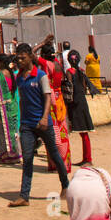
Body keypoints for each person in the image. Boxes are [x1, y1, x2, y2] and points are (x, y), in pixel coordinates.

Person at [9, 44, 70, 208]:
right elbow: (21, 99)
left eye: (22, 57)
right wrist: (21, 122)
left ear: (30, 56)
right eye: (18, 58)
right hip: (27, 124)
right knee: (27, 159)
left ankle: (66, 185)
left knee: (55, 155)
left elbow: (48, 98)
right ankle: (24, 195)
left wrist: (44, 118)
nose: (20, 61)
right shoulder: (19, 77)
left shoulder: (41, 76)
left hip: (43, 123)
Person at [36, 42, 71, 175]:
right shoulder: (57, 63)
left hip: (51, 101)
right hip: (59, 98)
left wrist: (42, 43)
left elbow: (32, 54)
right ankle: (64, 162)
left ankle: (56, 163)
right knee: (62, 132)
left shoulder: (47, 64)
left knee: (53, 133)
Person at [65, 49, 97, 165]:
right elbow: (86, 86)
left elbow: (69, 88)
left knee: (82, 132)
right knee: (84, 132)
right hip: (82, 101)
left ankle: (88, 159)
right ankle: (86, 158)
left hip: (75, 103)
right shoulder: (82, 71)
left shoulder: (69, 72)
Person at [0, 54, 21, 163]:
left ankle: (5, 155)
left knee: (1, 131)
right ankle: (15, 154)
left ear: (1, 63)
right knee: (13, 130)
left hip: (1, 107)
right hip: (12, 106)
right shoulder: (13, 74)